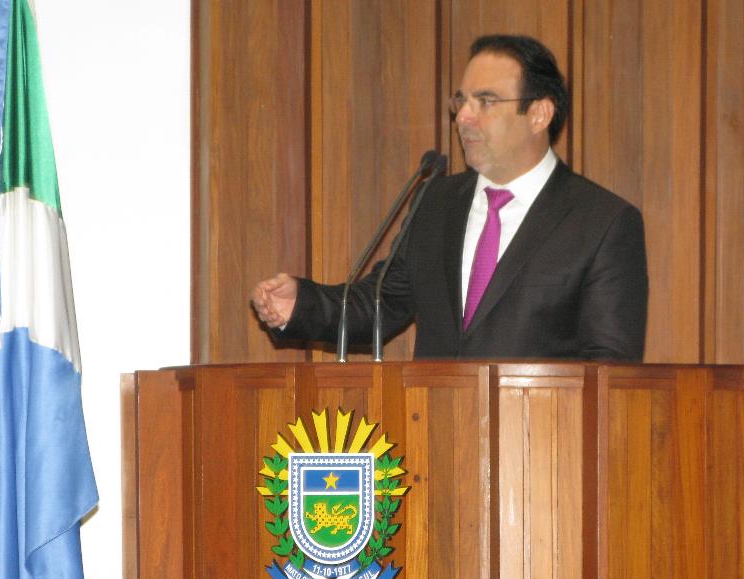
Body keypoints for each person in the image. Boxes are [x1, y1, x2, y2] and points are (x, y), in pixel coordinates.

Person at [251, 34, 648, 361]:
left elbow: (610, 369)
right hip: (433, 435)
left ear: (540, 114)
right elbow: (380, 305)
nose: (463, 117)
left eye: (486, 102)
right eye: (461, 101)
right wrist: (300, 305)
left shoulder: (602, 223)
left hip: (539, 448)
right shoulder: (436, 203)